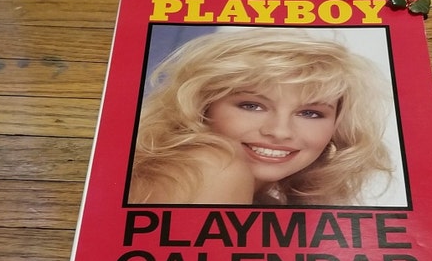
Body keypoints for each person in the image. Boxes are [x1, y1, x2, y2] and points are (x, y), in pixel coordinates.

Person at [129, 27, 392, 206]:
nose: (279, 131)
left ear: (337, 126)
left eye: (309, 113)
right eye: (252, 106)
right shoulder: (211, 168)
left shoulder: (263, 198)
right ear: (202, 106)